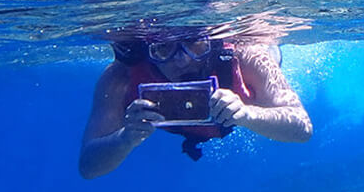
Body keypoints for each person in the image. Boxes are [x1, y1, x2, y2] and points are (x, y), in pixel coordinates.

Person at [79, 31, 312, 178]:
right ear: (147, 52)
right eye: (163, 48)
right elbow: (88, 166)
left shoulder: (246, 55)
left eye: (194, 44)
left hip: (254, 80)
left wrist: (247, 115)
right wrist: (124, 139)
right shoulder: (119, 80)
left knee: (267, 53)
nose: (182, 59)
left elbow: (302, 127)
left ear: (210, 39)